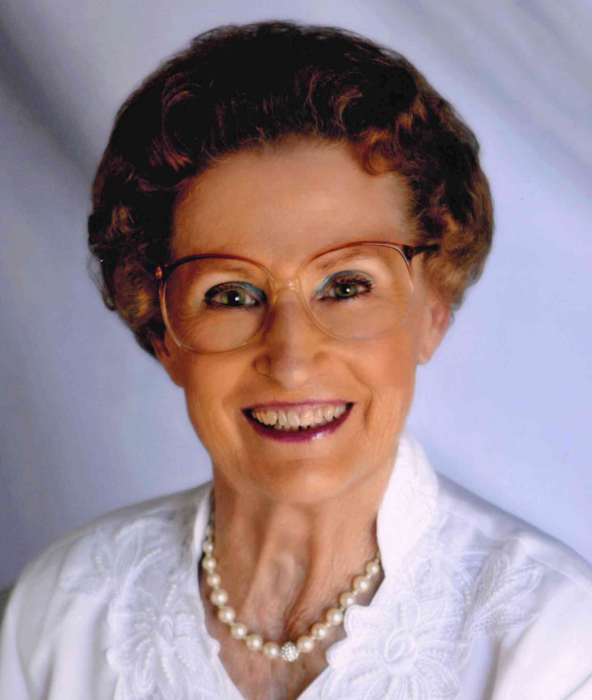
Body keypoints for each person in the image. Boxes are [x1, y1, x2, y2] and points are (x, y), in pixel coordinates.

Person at [1, 20, 591, 700]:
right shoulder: (57, 619)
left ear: (434, 311)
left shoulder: (554, 644)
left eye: (346, 286)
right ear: (163, 332)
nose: (290, 359)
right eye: (231, 294)